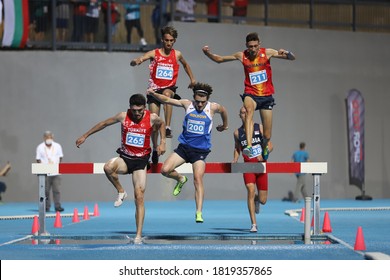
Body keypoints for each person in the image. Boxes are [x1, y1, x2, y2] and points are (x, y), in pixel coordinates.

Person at [75, 94, 166, 244]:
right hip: (125, 159)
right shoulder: (123, 116)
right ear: (130, 107)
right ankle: (121, 191)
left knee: (139, 197)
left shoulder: (152, 117)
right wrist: (85, 135)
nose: (137, 114)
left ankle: (138, 235)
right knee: (108, 167)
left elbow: (162, 123)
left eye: (140, 110)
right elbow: (104, 123)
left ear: (144, 108)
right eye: (134, 110)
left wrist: (162, 142)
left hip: (141, 162)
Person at [202, 32, 295, 161]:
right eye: (250, 46)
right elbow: (220, 60)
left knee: (267, 135)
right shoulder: (242, 55)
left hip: (266, 96)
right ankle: (249, 146)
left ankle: (264, 145)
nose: (252, 49)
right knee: (248, 111)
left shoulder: (267, 53)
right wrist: (208, 53)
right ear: (246, 45)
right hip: (250, 93)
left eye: (255, 46)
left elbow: (292, 58)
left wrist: (287, 52)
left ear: (259, 44)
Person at [147, 82, 228, 223]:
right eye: (197, 101)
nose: (200, 105)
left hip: (200, 151)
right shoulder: (187, 104)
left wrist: (224, 125)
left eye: (203, 102)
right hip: (184, 148)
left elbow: (224, 111)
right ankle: (180, 179)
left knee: (198, 179)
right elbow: (167, 100)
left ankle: (198, 212)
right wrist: (153, 94)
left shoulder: (213, 107)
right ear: (193, 98)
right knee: (165, 170)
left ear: (207, 99)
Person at [131, 25, 196, 164]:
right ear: (162, 40)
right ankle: (155, 149)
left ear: (174, 41)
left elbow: (185, 65)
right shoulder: (155, 53)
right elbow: (143, 57)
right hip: (154, 91)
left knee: (167, 94)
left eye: (171, 40)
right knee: (154, 121)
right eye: (166, 40)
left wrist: (192, 79)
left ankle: (167, 127)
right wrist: (138, 61)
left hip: (168, 88)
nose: (169, 43)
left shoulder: (177, 54)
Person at [233, 107, 273, 233]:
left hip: (261, 166)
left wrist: (264, 154)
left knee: (263, 200)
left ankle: (257, 199)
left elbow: (270, 145)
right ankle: (254, 224)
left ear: (251, 114)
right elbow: (237, 148)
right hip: (248, 166)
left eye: (247, 113)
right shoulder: (237, 133)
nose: (245, 115)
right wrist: (235, 159)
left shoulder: (259, 127)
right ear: (239, 115)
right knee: (250, 190)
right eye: (242, 113)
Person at [36, 131, 64, 212]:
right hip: (45, 173)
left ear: (52, 137)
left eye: (50, 137)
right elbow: (38, 159)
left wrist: (56, 166)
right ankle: (46, 207)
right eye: (47, 137)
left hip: (56, 172)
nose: (49, 138)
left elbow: (60, 157)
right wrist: (43, 168)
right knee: (45, 191)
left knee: (57, 190)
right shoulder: (40, 147)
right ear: (44, 138)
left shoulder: (57, 146)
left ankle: (57, 206)